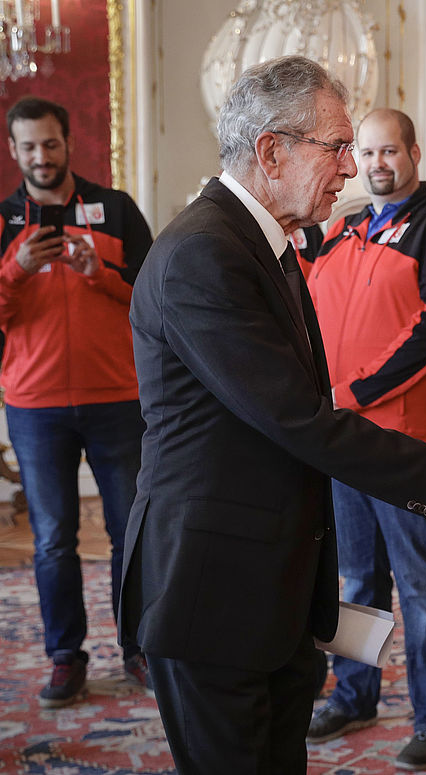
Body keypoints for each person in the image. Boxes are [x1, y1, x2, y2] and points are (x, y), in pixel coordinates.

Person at [117, 55, 426, 775]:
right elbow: (299, 418)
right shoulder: (205, 254)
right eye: (336, 147)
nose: (351, 168)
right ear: (271, 151)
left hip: (268, 584)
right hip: (213, 588)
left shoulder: (260, 244)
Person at [304, 107, 426, 770]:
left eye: (389, 151)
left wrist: (361, 389)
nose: (377, 164)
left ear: (413, 153)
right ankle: (355, 693)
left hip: (406, 437)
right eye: (367, 152)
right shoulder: (348, 224)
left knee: (422, 581)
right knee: (356, 576)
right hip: (345, 434)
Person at [0, 96, 153, 706]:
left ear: (68, 143)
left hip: (117, 398)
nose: (41, 156)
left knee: (129, 533)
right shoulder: (4, 222)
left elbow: (154, 299)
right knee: (52, 540)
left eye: (50, 143)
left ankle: (138, 648)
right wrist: (14, 270)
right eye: (29, 146)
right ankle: (65, 657)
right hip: (35, 407)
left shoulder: (115, 210)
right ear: (14, 150)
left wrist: (99, 274)